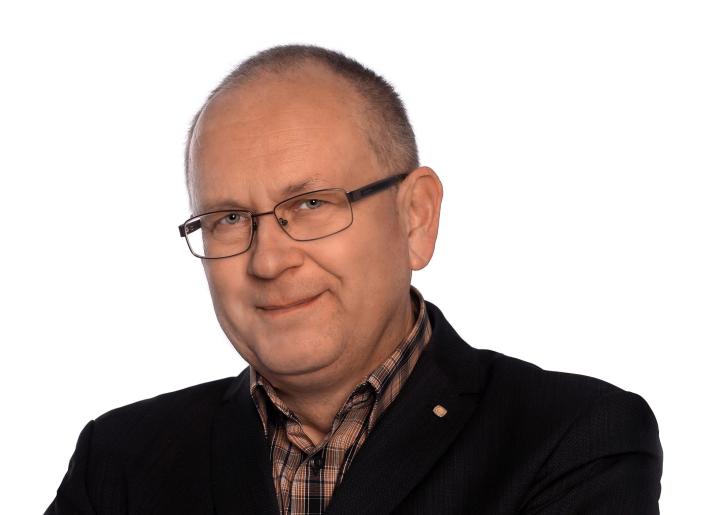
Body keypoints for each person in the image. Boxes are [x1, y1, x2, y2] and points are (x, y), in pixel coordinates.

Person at [46, 45, 662, 515]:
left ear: (415, 217)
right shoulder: (119, 462)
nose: (268, 261)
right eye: (228, 219)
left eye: (311, 204)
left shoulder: (575, 440)